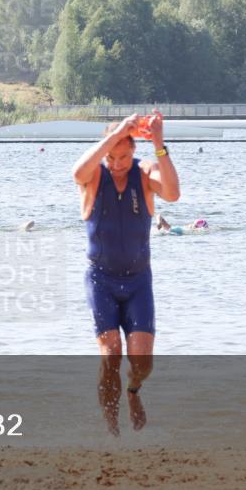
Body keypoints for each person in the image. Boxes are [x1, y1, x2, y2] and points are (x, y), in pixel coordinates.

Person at [72, 112, 180, 435]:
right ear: (104, 153)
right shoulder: (93, 178)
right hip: (101, 280)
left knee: (142, 362)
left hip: (137, 282)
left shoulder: (144, 173)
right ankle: (111, 429)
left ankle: (133, 393)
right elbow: (76, 171)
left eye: (124, 156)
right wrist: (116, 132)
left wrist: (159, 142)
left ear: (134, 151)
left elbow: (173, 193)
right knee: (110, 355)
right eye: (111, 157)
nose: (117, 164)